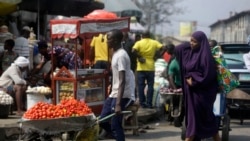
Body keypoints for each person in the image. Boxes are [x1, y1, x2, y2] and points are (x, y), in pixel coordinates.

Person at [175, 31, 221, 141]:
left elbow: (208, 75)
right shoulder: (189, 54)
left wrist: (194, 82)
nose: (191, 43)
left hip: (201, 96)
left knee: (196, 123)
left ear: (201, 43)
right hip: (192, 95)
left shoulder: (206, 58)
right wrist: (190, 42)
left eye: (194, 42)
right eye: (190, 40)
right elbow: (177, 49)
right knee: (203, 122)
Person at [99, 29, 135, 141]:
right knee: (102, 121)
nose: (106, 42)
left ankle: (118, 136)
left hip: (123, 95)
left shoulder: (121, 56)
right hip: (114, 93)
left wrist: (118, 104)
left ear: (115, 40)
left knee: (115, 125)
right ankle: (116, 136)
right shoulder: (115, 53)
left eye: (108, 39)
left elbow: (122, 80)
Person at [132, 30, 163, 108]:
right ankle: (149, 103)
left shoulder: (139, 43)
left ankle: (142, 103)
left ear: (142, 36)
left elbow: (133, 51)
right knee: (150, 86)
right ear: (149, 35)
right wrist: (157, 56)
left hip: (141, 67)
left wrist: (139, 57)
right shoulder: (154, 42)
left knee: (141, 86)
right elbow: (164, 48)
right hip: (151, 67)